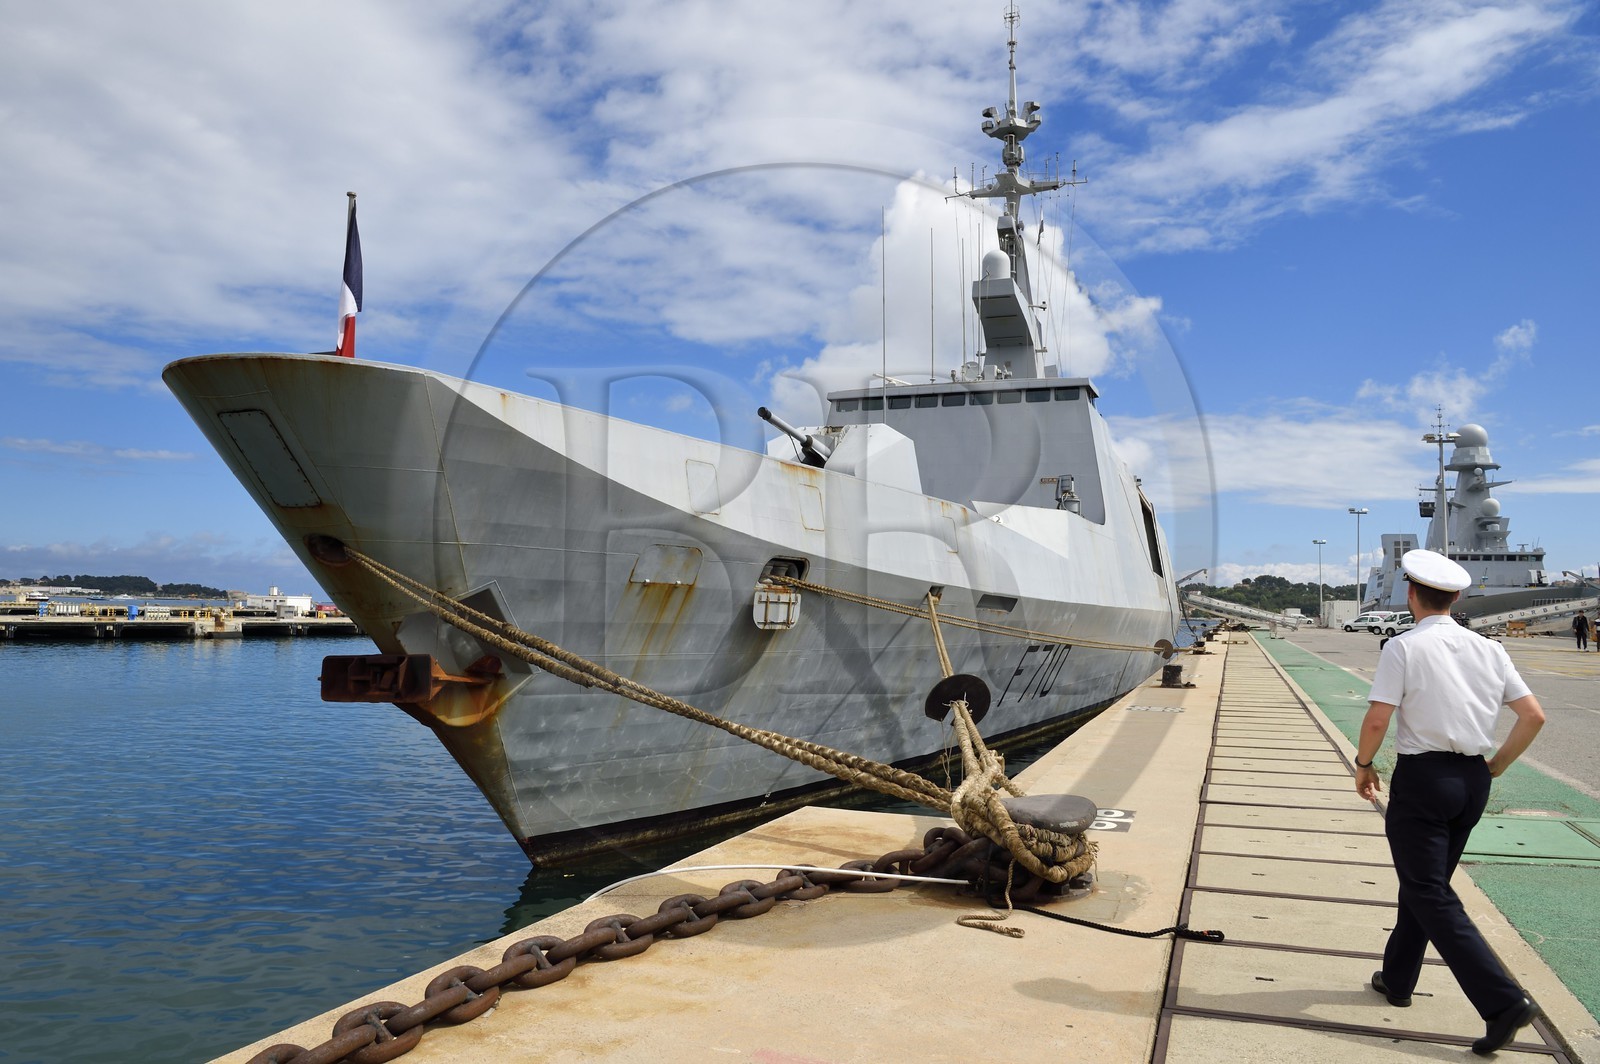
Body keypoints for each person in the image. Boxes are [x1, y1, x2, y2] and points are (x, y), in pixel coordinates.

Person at [1353, 550, 1546, 1056]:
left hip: (1423, 780)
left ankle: (1503, 1002)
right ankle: (1398, 980)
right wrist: (1497, 766)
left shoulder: (1403, 647)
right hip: (1472, 780)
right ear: (1457, 597)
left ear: (1410, 594)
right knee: (1427, 884)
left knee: (1429, 891)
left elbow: (1377, 719)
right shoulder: (1489, 648)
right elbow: (1532, 716)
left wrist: (1364, 763)